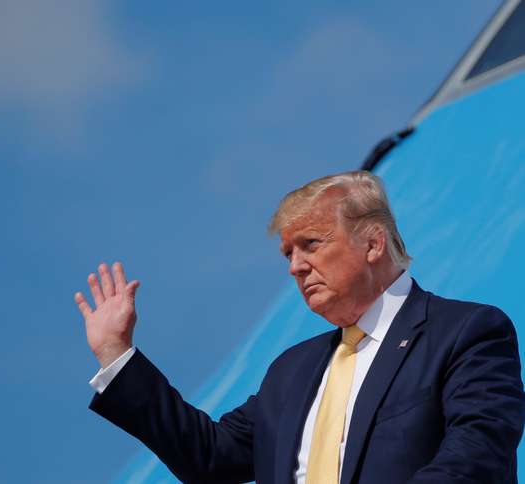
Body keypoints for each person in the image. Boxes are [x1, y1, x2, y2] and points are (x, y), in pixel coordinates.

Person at [74, 170, 525, 484]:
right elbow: (210, 457)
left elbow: (477, 455)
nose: (295, 267)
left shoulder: (465, 331)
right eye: (288, 254)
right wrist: (117, 354)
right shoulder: (292, 371)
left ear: (372, 243)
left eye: (310, 245)